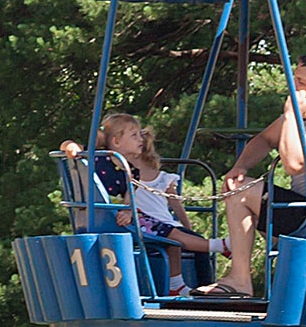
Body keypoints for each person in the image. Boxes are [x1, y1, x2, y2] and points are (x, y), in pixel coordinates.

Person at [196, 52, 306, 298]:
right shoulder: (304, 116)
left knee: (242, 193)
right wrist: (240, 167)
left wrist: (292, 115)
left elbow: (294, 164)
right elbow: (264, 139)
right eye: (293, 80)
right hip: (302, 209)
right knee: (239, 184)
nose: (292, 88)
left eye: (300, 83)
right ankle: (252, 276)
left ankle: (241, 280)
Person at [61, 113, 227, 294]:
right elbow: (68, 146)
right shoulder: (98, 159)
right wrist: (71, 147)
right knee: (168, 232)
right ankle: (219, 246)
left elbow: (129, 195)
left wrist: (128, 211)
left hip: (125, 217)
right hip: (108, 218)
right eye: (134, 136)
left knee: (172, 238)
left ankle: (177, 285)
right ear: (116, 142)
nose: (141, 139)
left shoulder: (130, 169)